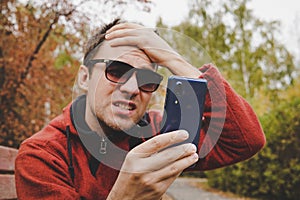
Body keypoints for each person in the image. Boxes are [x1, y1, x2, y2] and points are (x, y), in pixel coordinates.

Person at [15, 19, 266, 200]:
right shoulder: (42, 156)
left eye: (147, 79)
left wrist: (171, 57)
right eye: (117, 70)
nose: (132, 88)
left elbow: (245, 140)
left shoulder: (154, 132)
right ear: (84, 78)